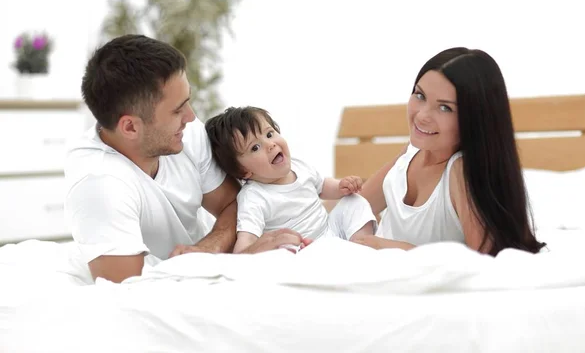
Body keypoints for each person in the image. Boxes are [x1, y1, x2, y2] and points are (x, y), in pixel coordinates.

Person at [64, 34, 309, 284]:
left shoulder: (185, 134)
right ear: (130, 127)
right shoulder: (99, 183)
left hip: (204, 269)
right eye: (177, 110)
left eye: (187, 103)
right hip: (177, 286)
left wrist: (207, 251)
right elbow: (127, 291)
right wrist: (239, 261)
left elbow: (234, 203)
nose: (191, 117)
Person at [351, 47, 547, 256]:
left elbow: (483, 263)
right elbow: (356, 206)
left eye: (445, 108)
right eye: (420, 95)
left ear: (475, 118)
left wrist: (389, 247)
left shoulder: (459, 172)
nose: (422, 115)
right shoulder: (411, 154)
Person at [205, 106, 377, 253]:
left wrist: (341, 186)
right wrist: (246, 253)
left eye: (270, 134)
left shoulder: (299, 166)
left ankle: (360, 246)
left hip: (330, 230)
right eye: (255, 147)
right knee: (283, 248)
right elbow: (246, 241)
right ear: (243, 170)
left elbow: (322, 186)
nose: (270, 144)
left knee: (354, 202)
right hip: (302, 249)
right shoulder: (254, 197)